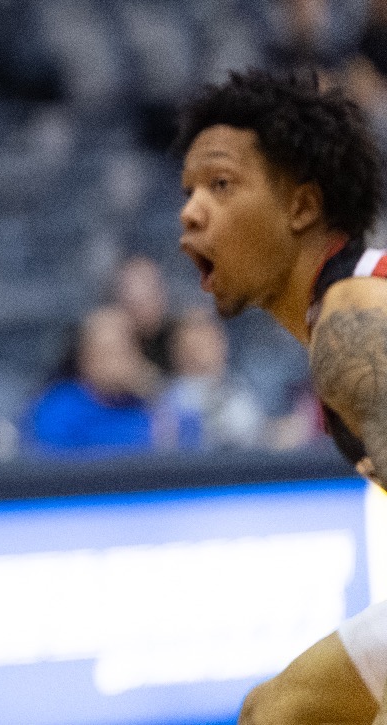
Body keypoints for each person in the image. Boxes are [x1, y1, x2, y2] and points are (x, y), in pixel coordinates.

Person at [174, 69, 387, 724]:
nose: (191, 212)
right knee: (277, 711)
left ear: (300, 206)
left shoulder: (353, 328)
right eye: (189, 191)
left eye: (222, 185)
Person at [27, 306, 160, 454]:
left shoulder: (148, 403)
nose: (118, 362)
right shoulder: (59, 408)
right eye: (108, 352)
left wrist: (153, 395)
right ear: (84, 358)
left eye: (125, 350)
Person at [157, 311, 266, 451]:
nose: (214, 347)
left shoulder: (238, 388)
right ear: (179, 350)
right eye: (198, 343)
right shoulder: (173, 397)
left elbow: (257, 432)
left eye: (214, 339)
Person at [110, 254, 176, 372]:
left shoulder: (176, 339)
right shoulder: (105, 341)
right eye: (132, 301)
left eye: (147, 297)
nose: (139, 308)